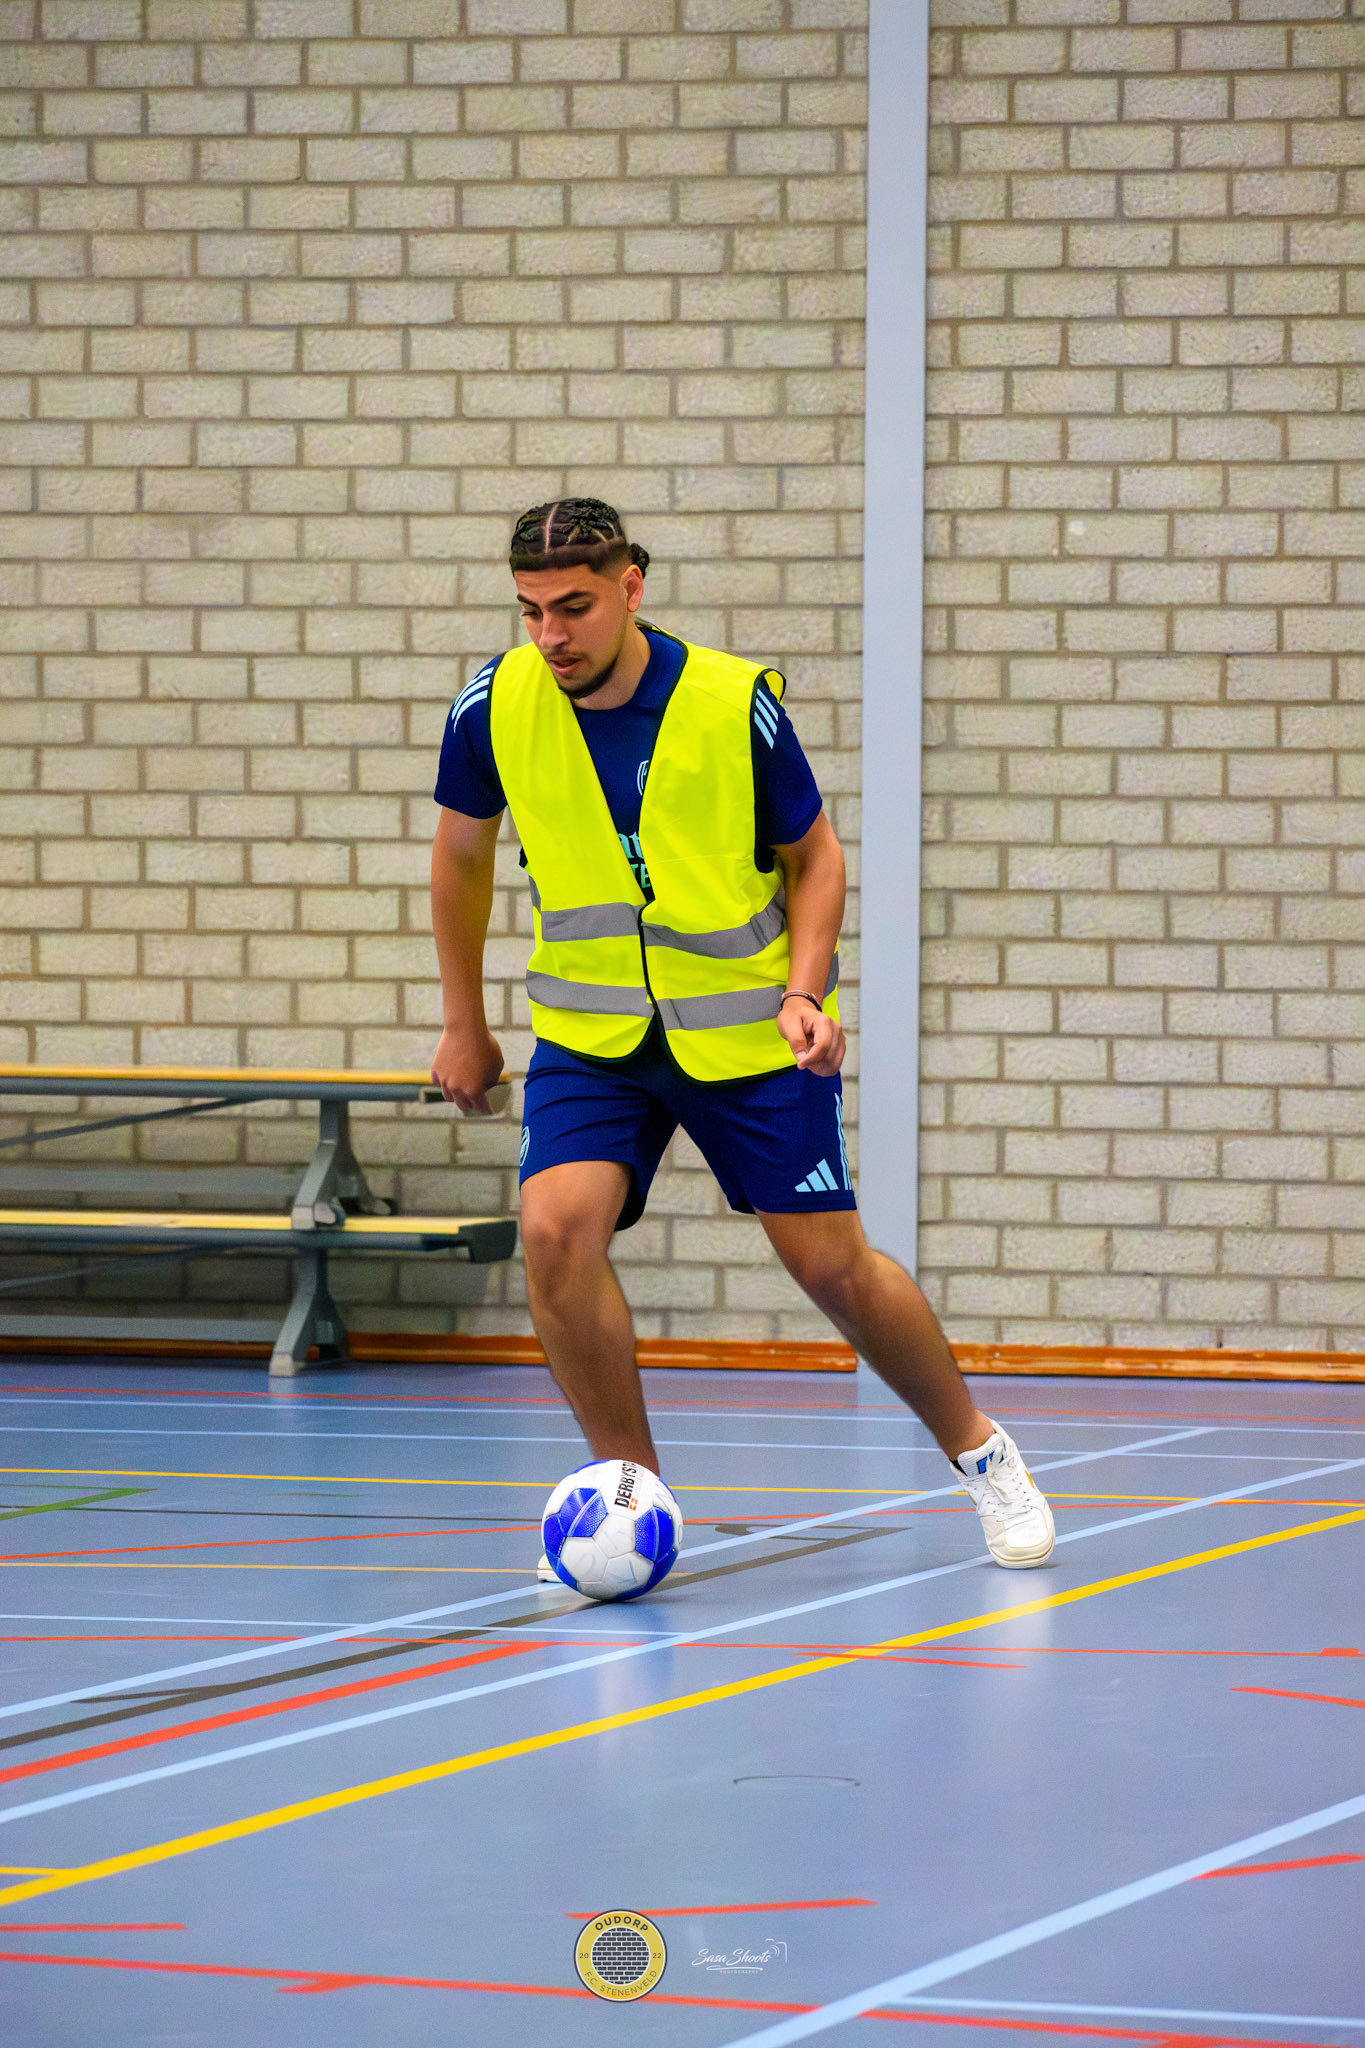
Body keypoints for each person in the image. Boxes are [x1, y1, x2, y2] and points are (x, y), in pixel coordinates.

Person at [429, 498, 1054, 1575]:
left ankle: (983, 1452)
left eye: (573, 607)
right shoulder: (493, 705)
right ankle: (630, 1496)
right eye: (531, 611)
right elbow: (460, 857)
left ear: (631, 587)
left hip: (750, 1031)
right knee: (554, 1233)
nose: (551, 635)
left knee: (832, 1267)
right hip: (593, 1032)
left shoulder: (732, 702)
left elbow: (816, 858)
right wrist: (462, 1021)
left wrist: (806, 992)